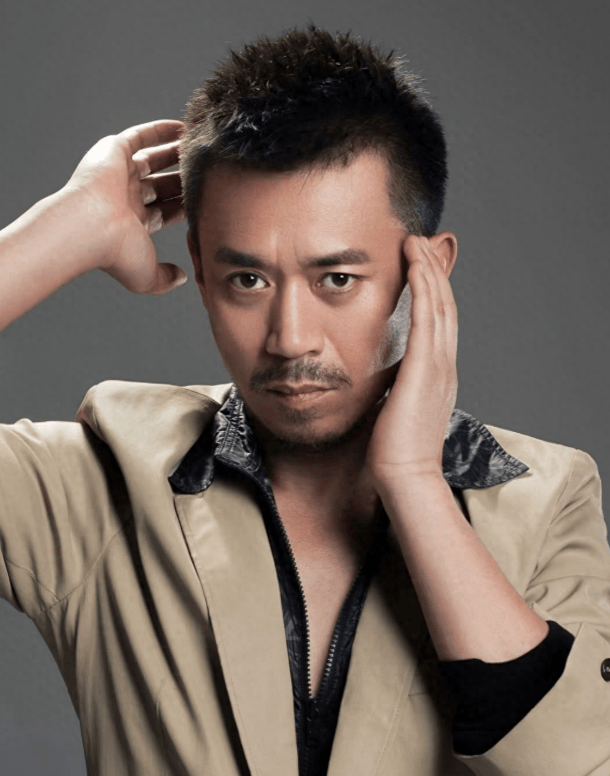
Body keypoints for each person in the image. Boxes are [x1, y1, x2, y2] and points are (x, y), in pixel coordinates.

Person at [0, 25, 609, 776]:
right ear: (201, 271)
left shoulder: (546, 501)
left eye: (337, 280)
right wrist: (68, 227)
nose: (290, 338)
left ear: (428, 272)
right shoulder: (104, 484)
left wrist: (415, 482)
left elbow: (581, 761)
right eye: (248, 280)